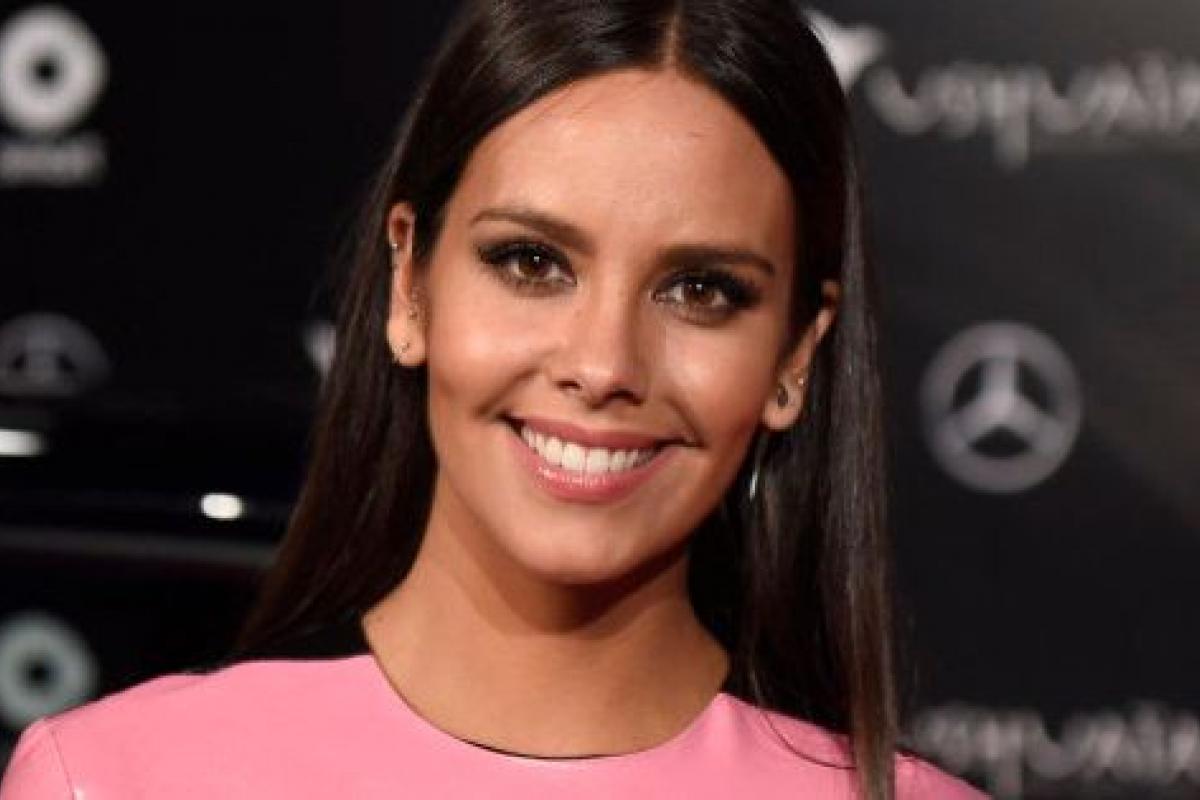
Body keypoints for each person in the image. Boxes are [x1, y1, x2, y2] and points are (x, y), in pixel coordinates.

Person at [0, 1, 987, 798]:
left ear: (794, 355)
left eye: (700, 290)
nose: (602, 362)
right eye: (531, 262)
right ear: (410, 285)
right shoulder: (112, 781)